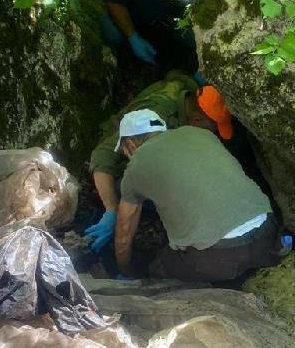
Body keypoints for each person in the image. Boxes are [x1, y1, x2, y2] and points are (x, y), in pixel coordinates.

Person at [114, 110, 282, 282]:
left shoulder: (136, 165)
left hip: (220, 257)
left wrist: (125, 269)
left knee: (159, 265)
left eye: (124, 150)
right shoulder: (199, 132)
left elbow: (124, 234)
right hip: (267, 234)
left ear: (131, 144)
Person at [86, 72, 233, 251]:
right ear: (196, 119)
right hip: (125, 156)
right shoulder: (155, 117)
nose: (215, 135)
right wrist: (111, 209)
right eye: (214, 130)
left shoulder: (191, 96)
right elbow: (103, 155)